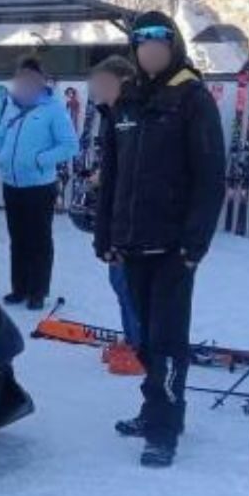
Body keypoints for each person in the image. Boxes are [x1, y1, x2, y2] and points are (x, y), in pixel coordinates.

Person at [94, 11, 226, 468]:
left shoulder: (191, 98)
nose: (149, 48)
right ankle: (156, 409)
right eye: (141, 41)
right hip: (131, 243)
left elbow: (211, 177)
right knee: (145, 340)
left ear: (173, 45)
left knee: (167, 340)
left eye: (158, 40)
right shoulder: (127, 100)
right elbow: (112, 174)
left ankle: (165, 429)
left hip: (173, 248)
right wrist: (104, 233)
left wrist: (194, 246)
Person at [0, 54, 78, 310]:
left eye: (31, 78)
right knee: (17, 238)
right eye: (22, 78)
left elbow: (70, 145)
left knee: (39, 239)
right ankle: (19, 289)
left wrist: (41, 160)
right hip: (11, 184)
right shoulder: (10, 105)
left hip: (40, 187)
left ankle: (38, 291)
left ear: (40, 81)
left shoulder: (53, 109)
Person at [86, 55, 143, 375]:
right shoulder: (112, 115)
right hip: (114, 214)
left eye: (102, 83)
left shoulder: (133, 115)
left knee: (129, 285)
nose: (96, 90)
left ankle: (141, 347)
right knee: (118, 281)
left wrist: (108, 177)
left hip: (132, 218)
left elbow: (137, 166)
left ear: (122, 81)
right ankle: (131, 340)